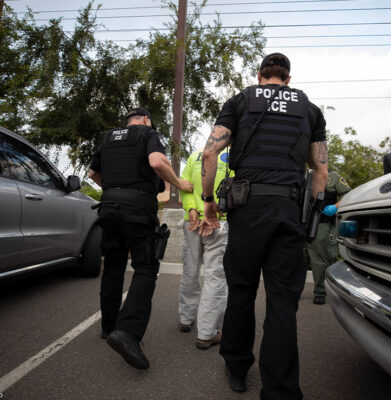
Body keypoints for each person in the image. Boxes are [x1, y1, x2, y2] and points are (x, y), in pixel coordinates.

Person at [199, 53, 328, 399]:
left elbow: (209, 153)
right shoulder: (310, 110)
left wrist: (209, 200)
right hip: (289, 210)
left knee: (241, 291)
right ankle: (281, 390)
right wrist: (313, 214)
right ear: (288, 78)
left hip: (247, 208)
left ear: (260, 76)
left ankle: (238, 368)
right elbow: (321, 170)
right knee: (282, 302)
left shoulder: (240, 101)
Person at [88, 107, 193, 370]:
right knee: (145, 268)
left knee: (113, 266)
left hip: (108, 207)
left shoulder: (109, 137)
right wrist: (179, 184)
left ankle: (108, 327)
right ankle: (127, 332)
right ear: (146, 119)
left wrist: (114, 190)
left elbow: (93, 174)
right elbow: (157, 163)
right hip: (138, 210)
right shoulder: (148, 133)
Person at [178, 148, 233, 350]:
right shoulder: (235, 157)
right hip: (218, 223)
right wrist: (215, 215)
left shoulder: (196, 155)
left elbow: (184, 184)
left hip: (191, 222)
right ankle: (206, 334)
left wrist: (191, 208)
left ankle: (186, 318)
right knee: (215, 276)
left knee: (190, 271)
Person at [305, 170, 351, 305]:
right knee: (298, 258)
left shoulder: (333, 176)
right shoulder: (305, 175)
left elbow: (348, 195)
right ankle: (294, 290)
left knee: (321, 259)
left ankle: (320, 291)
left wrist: (335, 207)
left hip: (322, 224)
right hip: (301, 223)